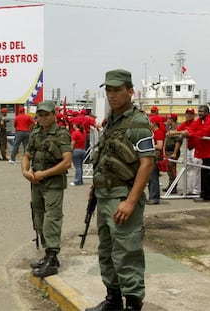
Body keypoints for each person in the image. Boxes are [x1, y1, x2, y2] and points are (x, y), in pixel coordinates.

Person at [87, 69, 155, 311]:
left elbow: (147, 163)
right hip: (104, 196)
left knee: (127, 252)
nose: (112, 95)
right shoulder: (111, 122)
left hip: (123, 197)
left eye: (117, 90)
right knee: (106, 252)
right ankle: (113, 299)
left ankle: (133, 304)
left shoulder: (138, 122)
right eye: (108, 90)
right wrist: (95, 186)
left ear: (130, 91)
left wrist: (130, 201)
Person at [21, 100, 72, 278]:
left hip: (53, 183)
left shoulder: (61, 134)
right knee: (39, 218)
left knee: (52, 218)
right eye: (40, 115)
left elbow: (67, 162)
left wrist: (45, 173)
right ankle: (48, 254)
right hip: (36, 182)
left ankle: (52, 256)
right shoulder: (35, 133)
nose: (42, 118)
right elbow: (27, 155)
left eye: (46, 115)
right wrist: (25, 171)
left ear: (54, 115)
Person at [167, 107, 201, 195]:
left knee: (196, 169)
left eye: (190, 114)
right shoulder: (184, 123)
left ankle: (196, 190)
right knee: (188, 168)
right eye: (187, 113)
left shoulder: (195, 123)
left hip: (196, 148)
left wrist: (174, 132)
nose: (189, 115)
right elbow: (179, 131)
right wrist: (173, 132)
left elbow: (186, 131)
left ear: (193, 115)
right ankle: (188, 189)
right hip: (188, 148)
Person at [181, 105, 210, 202]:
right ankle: (204, 194)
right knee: (204, 173)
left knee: (206, 173)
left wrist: (191, 134)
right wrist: (188, 132)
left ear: (207, 112)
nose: (200, 113)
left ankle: (205, 194)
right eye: (199, 111)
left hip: (208, 152)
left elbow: (205, 131)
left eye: (201, 111)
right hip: (203, 152)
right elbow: (192, 128)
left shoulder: (209, 120)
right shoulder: (199, 121)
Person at [146, 116, 165, 205]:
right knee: (151, 178)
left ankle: (154, 197)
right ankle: (153, 196)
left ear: (154, 123)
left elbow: (160, 145)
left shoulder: (158, 133)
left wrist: (150, 146)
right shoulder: (153, 132)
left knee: (153, 178)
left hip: (155, 158)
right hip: (153, 157)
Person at [162, 113, 181, 194]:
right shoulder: (169, 127)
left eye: (169, 119)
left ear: (172, 119)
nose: (167, 120)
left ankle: (174, 186)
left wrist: (175, 153)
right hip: (168, 150)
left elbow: (178, 141)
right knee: (169, 169)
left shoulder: (176, 128)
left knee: (172, 169)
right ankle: (171, 184)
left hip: (173, 150)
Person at [69, 121, 86, 186]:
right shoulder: (83, 132)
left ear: (75, 125)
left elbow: (73, 143)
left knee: (77, 167)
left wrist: (70, 150)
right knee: (80, 166)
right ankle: (80, 180)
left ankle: (77, 181)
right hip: (83, 150)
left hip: (76, 150)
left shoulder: (75, 133)